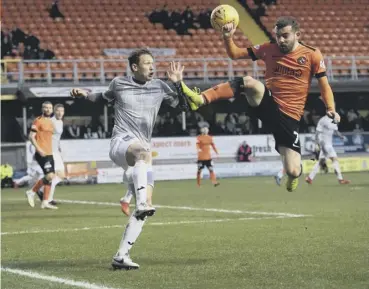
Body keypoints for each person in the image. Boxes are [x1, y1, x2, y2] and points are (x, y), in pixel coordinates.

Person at [181, 16, 340, 192]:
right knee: (249, 82)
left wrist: (331, 109)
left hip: (290, 116)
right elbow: (235, 54)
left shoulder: (312, 54)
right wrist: (227, 37)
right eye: (278, 35)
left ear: (298, 34)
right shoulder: (267, 49)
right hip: (268, 102)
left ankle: (294, 176)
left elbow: (324, 85)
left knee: (293, 170)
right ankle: (202, 99)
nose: (280, 40)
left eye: (285, 36)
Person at [70, 49, 187, 270]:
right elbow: (101, 98)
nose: (152, 67)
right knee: (143, 156)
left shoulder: (161, 86)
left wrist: (178, 84)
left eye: (153, 63)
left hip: (142, 149)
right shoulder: (119, 83)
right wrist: (84, 94)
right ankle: (139, 195)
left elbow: (183, 106)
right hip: (121, 143)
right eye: (147, 63)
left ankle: (121, 255)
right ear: (134, 67)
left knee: (144, 209)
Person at [25, 101, 57, 209]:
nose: (48, 109)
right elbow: (31, 136)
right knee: (49, 175)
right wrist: (39, 149)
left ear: (52, 109)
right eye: (45, 107)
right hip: (42, 153)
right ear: (42, 109)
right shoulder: (38, 121)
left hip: (49, 153)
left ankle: (45, 202)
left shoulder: (51, 122)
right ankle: (32, 191)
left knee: (50, 178)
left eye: (49, 108)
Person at [305, 115, 350, 185]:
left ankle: (309, 178)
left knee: (320, 162)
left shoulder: (334, 120)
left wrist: (341, 136)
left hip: (328, 145)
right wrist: (318, 143)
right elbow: (317, 132)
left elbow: (335, 130)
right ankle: (340, 179)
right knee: (334, 159)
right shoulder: (323, 120)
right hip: (325, 145)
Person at [48, 104, 65, 205]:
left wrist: (59, 147)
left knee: (61, 176)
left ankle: (42, 191)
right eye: (58, 110)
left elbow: (57, 137)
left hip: (56, 151)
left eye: (62, 111)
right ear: (54, 111)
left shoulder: (60, 122)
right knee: (53, 175)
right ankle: (49, 198)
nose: (60, 113)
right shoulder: (50, 122)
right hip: (50, 151)